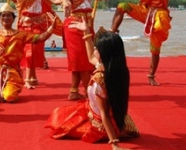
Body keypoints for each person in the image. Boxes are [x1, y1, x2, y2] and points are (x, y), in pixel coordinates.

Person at [45, 18, 139, 149]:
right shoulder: (114, 69)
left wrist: (115, 144)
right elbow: (90, 57)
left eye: (97, 48)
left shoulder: (100, 79)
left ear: (103, 53)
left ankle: (113, 138)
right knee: (59, 114)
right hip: (100, 114)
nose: (94, 50)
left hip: (100, 126)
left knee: (58, 123)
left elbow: (104, 113)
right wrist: (86, 32)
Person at [58, 0, 118, 100]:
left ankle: (73, 91)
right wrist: (66, 3)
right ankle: (89, 92)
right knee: (84, 60)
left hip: (87, 23)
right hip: (74, 24)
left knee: (80, 60)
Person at [0, 0, 62, 89]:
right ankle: (27, 79)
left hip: (38, 24)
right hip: (24, 25)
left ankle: (33, 77)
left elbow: (55, 1)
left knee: (35, 51)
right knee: (28, 51)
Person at [0, 3, 57, 102]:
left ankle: (12, 88)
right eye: (3, 15)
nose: (6, 18)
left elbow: (40, 38)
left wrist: (51, 28)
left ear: (13, 18)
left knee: (9, 97)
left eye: (8, 15)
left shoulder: (21, 35)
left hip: (12, 71)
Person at [33, 0, 64, 69]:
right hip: (35, 17)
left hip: (49, 15)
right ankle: (42, 60)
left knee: (65, 31)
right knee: (38, 40)